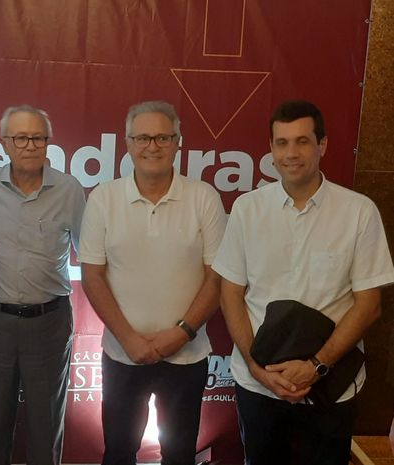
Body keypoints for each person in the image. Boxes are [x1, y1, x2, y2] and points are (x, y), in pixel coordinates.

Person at [212, 99, 394, 465]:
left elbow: (369, 305)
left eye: (302, 141)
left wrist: (316, 365)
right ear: (271, 148)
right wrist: (257, 369)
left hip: (331, 386)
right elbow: (230, 294)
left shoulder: (358, 212)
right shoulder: (248, 209)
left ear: (322, 145)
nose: (291, 153)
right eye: (282, 143)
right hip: (259, 385)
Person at [79, 100, 226, 465]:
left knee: (179, 455)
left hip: (186, 353)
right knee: (118, 453)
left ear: (178, 142)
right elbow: (92, 275)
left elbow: (217, 277)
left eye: (163, 137)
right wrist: (128, 339)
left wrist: (181, 333)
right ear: (128, 143)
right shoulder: (104, 198)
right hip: (122, 353)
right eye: (143, 138)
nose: (153, 146)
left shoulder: (204, 198)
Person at [0, 104, 86, 465]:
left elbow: (89, 252)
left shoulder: (69, 190)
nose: (30, 146)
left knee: (46, 426)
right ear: (4, 142)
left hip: (50, 321)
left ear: (49, 142)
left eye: (37, 138)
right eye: (20, 138)